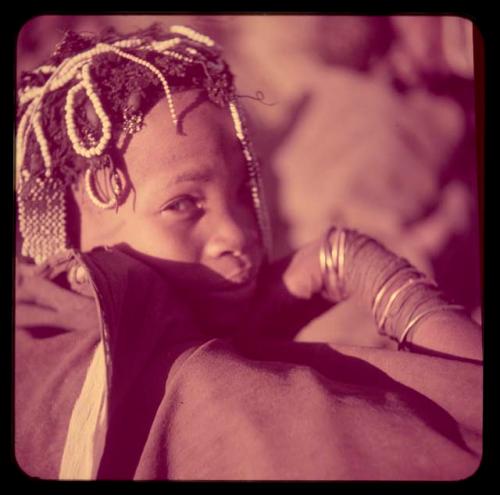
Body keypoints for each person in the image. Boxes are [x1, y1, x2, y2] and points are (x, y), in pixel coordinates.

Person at [15, 23, 482, 480]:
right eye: (182, 205)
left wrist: (337, 265)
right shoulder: (210, 390)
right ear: (68, 240)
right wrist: (365, 268)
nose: (236, 234)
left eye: (242, 191)